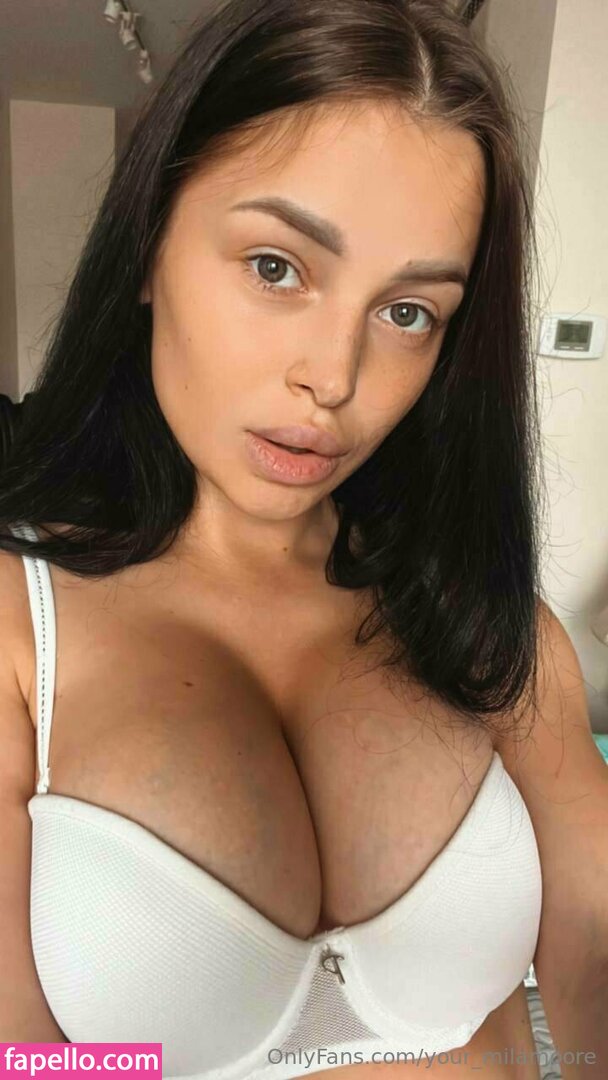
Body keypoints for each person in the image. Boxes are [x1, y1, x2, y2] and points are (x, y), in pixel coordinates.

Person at [1, 1, 606, 1077]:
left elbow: (593, 946)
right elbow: (22, 1054)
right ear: (148, 247)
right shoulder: (20, 630)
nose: (334, 377)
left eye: (407, 312)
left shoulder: (483, 620)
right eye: (277, 267)